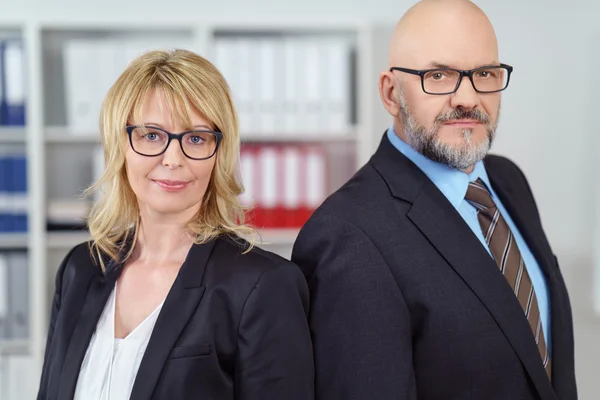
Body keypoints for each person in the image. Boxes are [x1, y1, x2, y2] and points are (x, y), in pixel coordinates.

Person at [291, 0, 577, 399]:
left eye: (484, 73)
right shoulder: (347, 237)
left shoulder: (508, 181)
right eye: (438, 75)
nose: (467, 97)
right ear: (391, 93)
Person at [37, 48, 314, 400]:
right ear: (120, 144)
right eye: (151, 135)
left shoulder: (262, 286)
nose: (172, 159)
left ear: (219, 153)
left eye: (196, 138)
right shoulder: (80, 268)